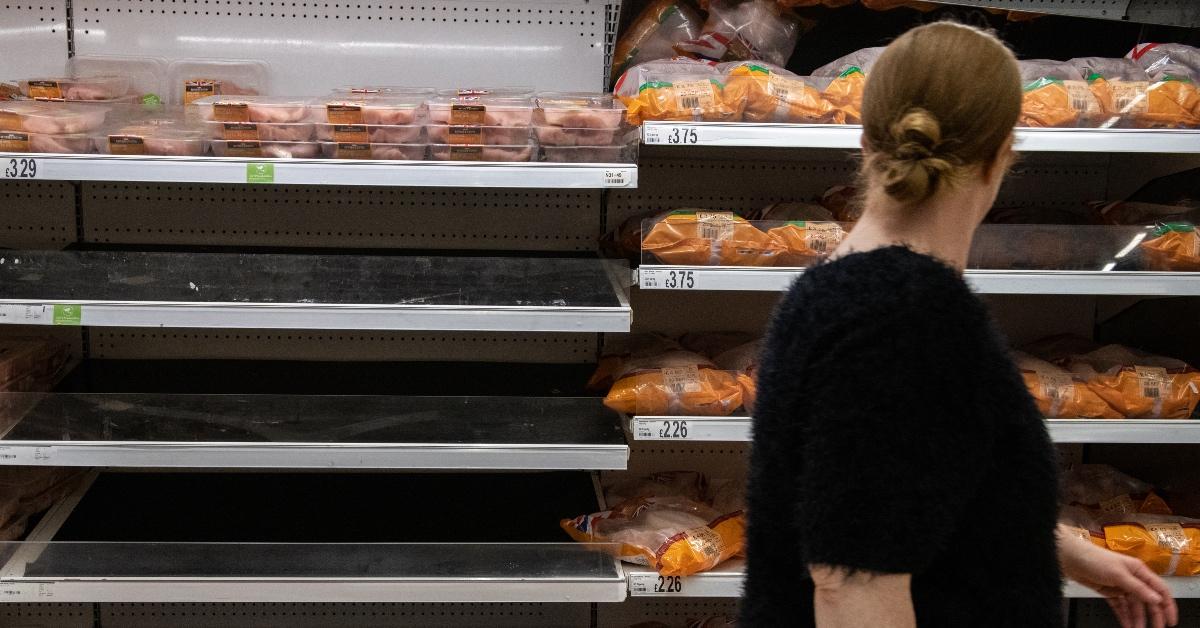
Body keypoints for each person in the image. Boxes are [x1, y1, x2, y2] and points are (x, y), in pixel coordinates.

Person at [740, 22, 1179, 628]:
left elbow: (920, 484)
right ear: (1004, 153)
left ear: (868, 141)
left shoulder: (856, 292)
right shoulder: (902, 321)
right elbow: (854, 588)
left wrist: (1060, 547)